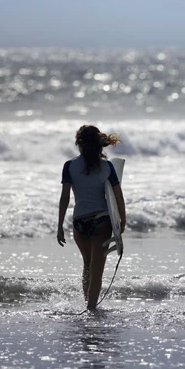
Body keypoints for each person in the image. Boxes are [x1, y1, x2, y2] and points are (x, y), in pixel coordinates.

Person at [57, 125, 126, 310]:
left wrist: (59, 225)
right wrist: (122, 221)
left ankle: (88, 305)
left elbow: (65, 197)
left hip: (79, 221)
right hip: (102, 221)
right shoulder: (107, 167)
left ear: (79, 143)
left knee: (87, 265)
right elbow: (118, 197)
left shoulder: (69, 166)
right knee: (97, 270)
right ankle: (91, 310)